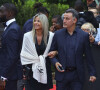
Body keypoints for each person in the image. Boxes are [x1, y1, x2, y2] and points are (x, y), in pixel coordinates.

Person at [49, 8, 96, 90]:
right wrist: (55, 63)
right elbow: (51, 53)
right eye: (64, 18)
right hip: (62, 75)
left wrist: (92, 73)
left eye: (67, 19)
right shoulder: (57, 34)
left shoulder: (83, 36)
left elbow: (89, 56)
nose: (64, 21)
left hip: (77, 75)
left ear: (74, 20)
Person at [21, 13, 53, 90]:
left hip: (45, 69)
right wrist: (23, 70)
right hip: (31, 70)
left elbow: (55, 50)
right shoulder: (27, 36)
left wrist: (55, 52)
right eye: (35, 21)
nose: (36, 23)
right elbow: (24, 54)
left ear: (44, 23)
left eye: (38, 21)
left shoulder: (51, 36)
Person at [0, 3, 23, 90]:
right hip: (9, 75)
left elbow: (11, 56)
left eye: (1, 11)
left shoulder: (12, 29)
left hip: (9, 76)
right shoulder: (11, 27)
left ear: (9, 13)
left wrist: (3, 77)